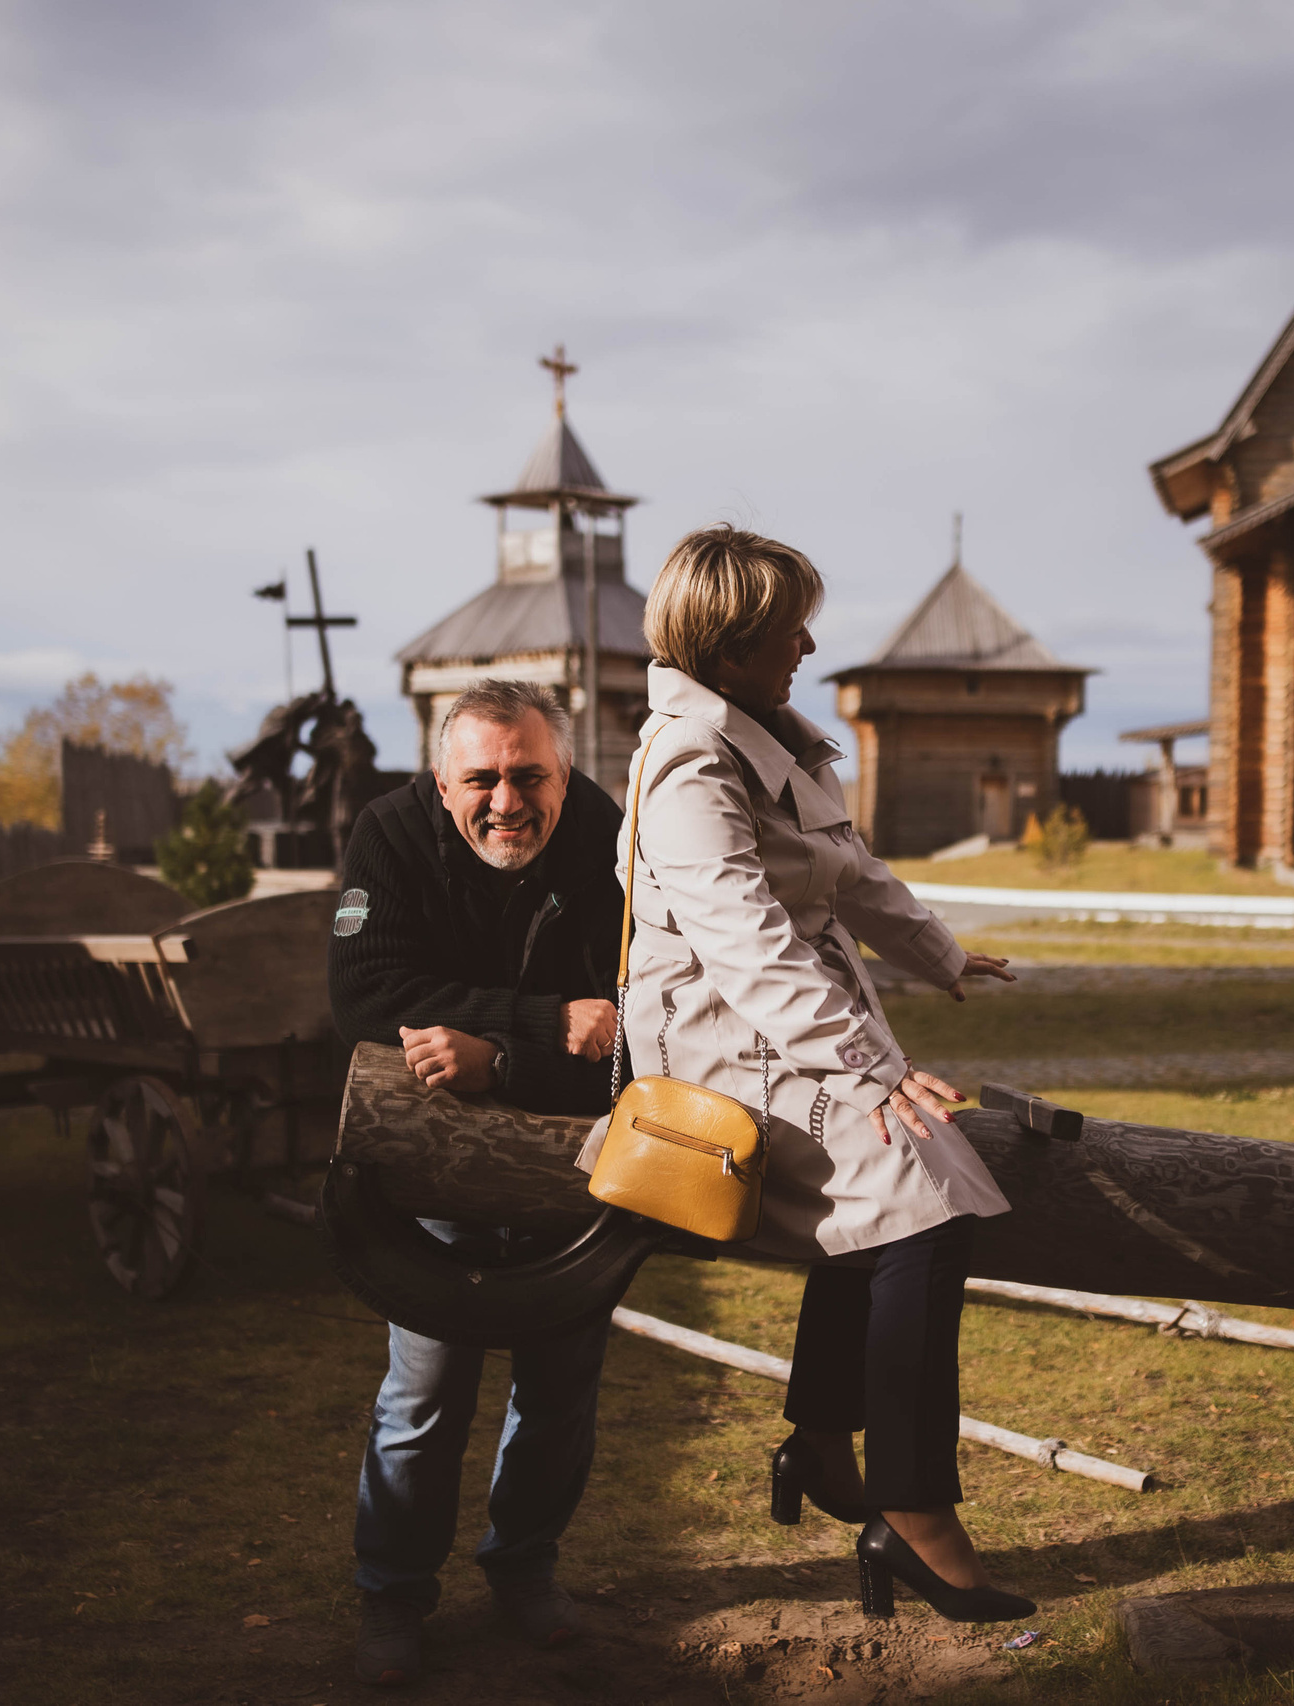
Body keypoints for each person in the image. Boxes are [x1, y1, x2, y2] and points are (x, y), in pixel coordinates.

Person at [590, 524, 1033, 1623]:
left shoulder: (773, 740)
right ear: (729, 645)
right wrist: (876, 1070)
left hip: (783, 1035)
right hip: (719, 1048)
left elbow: (851, 872)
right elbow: (748, 947)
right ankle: (912, 1509)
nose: (809, 643)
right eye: (789, 626)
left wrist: (939, 954)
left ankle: (826, 1442)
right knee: (920, 1196)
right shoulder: (692, 762)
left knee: (895, 1195)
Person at [328, 677, 625, 1687]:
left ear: (565, 772)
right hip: (432, 1162)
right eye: (482, 779)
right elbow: (366, 996)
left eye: (529, 776)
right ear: (440, 777)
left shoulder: (607, 837)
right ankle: (393, 1591)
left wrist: (495, 1058)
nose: (507, 800)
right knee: (425, 1392)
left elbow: (634, 1030)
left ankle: (524, 1564)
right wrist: (541, 1021)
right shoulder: (387, 834)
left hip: (573, 1161)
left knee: (560, 1389)